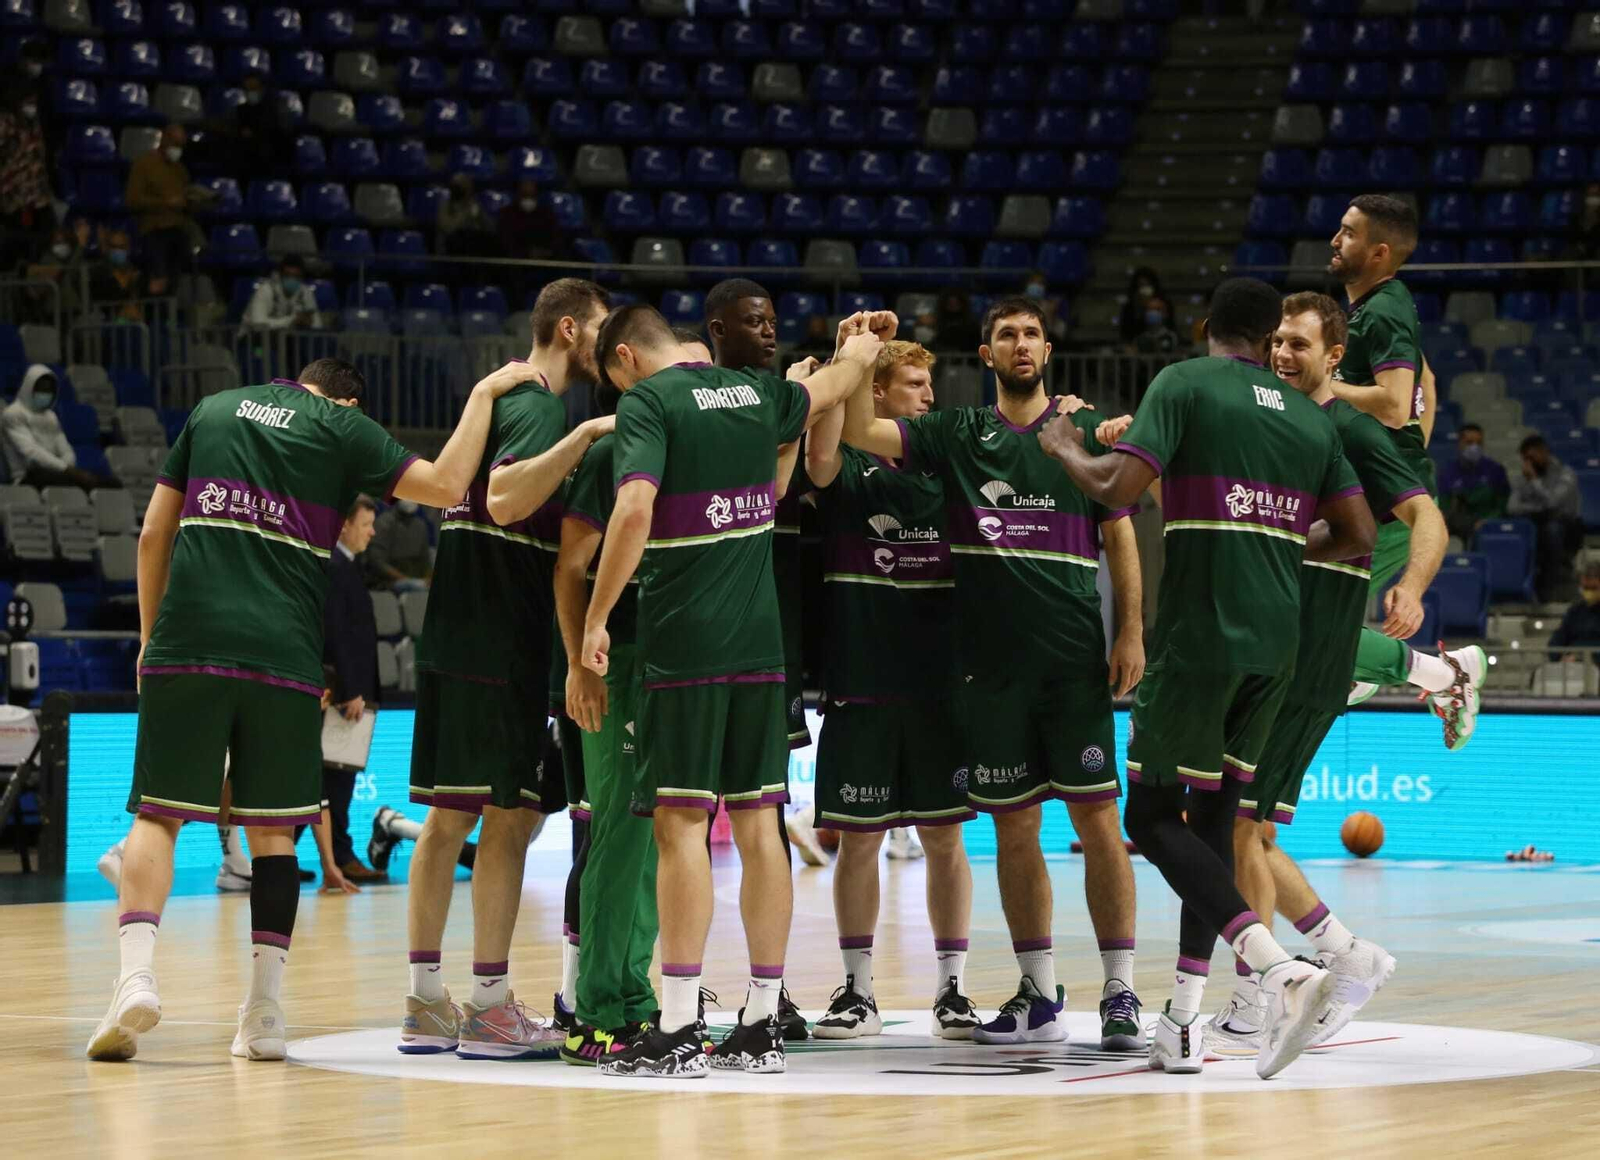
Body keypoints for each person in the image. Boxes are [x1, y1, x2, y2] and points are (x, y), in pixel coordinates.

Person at [85, 354, 540, 1064]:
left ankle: (135, 979)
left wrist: (150, 642)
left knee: (159, 816)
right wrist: (481, 389)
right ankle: (263, 1014)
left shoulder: (212, 410)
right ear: (348, 402)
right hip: (283, 653)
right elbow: (449, 483)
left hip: (188, 639)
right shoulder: (343, 429)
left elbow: (152, 536)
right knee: (273, 836)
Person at [1038, 276, 1377, 1080]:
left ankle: (1274, 968)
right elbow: (1360, 533)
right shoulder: (1306, 415)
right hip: (1277, 645)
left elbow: (1120, 490)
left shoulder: (1184, 382)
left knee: (1153, 818)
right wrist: (1279, 543)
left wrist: (1065, 450)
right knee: (1217, 824)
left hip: (1200, 640)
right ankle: (1185, 1022)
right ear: (1270, 342)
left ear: (1205, 329)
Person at [840, 298, 1147, 1052]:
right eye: (1006, 334)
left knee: (1099, 826)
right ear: (984, 354)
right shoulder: (958, 434)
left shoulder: (1079, 431)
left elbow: (1123, 534)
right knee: (1014, 831)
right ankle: (1039, 991)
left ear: (1048, 348)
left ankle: (1120, 989)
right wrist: (855, 352)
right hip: (990, 672)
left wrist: (1132, 627)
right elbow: (856, 430)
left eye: (1032, 333)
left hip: (1073, 663)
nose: (1020, 343)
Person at [581, 304, 879, 1078]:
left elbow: (635, 507)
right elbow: (837, 385)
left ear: (624, 360)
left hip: (685, 649)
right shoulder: (756, 395)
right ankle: (759, 1021)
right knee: (759, 825)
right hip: (761, 649)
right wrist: (861, 346)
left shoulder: (647, 403)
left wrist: (597, 618)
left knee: (680, 826)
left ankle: (677, 1027)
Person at [1205, 292, 1444, 1059]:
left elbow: (1427, 519)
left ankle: (1258, 996)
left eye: (1299, 345)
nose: (1282, 354)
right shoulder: (1275, 419)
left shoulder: (1348, 427)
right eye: (1277, 340)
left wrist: (1409, 587)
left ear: (1335, 357)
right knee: (1242, 825)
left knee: (1237, 824)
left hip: (1310, 653)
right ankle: (1342, 953)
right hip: (1269, 647)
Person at [399, 278, 615, 1061]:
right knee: (509, 818)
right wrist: (586, 434)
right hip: (497, 646)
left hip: (459, 636)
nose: (608, 342)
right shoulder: (536, 406)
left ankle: (427, 1003)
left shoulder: (500, 399)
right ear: (567, 328)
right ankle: (489, 1006)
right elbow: (501, 497)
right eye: (599, 330)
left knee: (453, 818)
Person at [803, 338, 981, 1040]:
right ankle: (857, 991)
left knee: (944, 839)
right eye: (912, 385)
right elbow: (818, 456)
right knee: (858, 841)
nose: (929, 397)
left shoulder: (948, 463)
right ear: (875, 393)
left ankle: (953, 990)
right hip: (862, 681)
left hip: (940, 683)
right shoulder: (842, 462)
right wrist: (850, 352)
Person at [1326, 194, 1485, 744]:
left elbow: (1396, 400)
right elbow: (1427, 381)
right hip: (1375, 487)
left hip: (1383, 502)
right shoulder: (1376, 307)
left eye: (1347, 233)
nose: (1334, 240)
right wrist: (1411, 448)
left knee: (1307, 618)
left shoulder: (1387, 306)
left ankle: (1447, 673)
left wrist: (1323, 389)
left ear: (1379, 251)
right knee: (1310, 614)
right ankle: (1363, 668)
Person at [702, 277, 812, 1040]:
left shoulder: (779, 408)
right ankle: (673, 995)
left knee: (760, 821)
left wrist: (804, 412)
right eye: (754, 322)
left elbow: (778, 492)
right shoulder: (707, 402)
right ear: (717, 332)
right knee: (673, 827)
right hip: (696, 634)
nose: (769, 332)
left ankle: (766, 1000)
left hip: (765, 640)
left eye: (774, 320)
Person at [551, 378, 660, 1067]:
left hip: (672, 664)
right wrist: (579, 664)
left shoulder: (688, 448)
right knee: (617, 831)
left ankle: (635, 993)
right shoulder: (611, 454)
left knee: (654, 835)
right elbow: (570, 568)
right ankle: (593, 1012)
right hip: (612, 664)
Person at [319, 494, 386, 884]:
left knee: (333, 780)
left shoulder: (347, 566)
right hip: (346, 697)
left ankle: (319, 853)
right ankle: (340, 856)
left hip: (353, 691)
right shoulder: (335, 566)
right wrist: (350, 690)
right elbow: (339, 636)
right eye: (366, 524)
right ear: (344, 524)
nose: (373, 531)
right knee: (336, 780)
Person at [2, 365, 112, 489]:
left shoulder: (50, 416)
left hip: (57, 472)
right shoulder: (13, 414)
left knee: (111, 484)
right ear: (29, 388)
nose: (45, 394)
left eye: (49, 390)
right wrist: (67, 470)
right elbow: (31, 453)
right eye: (41, 389)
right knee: (73, 484)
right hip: (27, 477)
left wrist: (68, 466)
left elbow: (64, 448)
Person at [124, 123, 202, 296]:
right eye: (175, 144)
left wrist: (193, 201)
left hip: (178, 230)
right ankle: (151, 317)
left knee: (173, 282)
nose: (177, 149)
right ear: (164, 139)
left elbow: (185, 198)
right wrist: (165, 202)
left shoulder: (180, 170)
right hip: (154, 231)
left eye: (181, 145)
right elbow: (133, 200)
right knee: (158, 282)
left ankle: (169, 318)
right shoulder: (143, 165)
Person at [1508, 434, 1585, 602]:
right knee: (1518, 530)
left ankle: (1554, 580)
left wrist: (1535, 482)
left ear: (1544, 453)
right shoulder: (1523, 477)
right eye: (1525, 458)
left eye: (1532, 457)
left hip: (1568, 527)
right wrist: (1538, 508)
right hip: (1536, 522)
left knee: (1552, 529)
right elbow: (1512, 507)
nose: (1528, 463)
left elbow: (1553, 503)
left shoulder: (1566, 474)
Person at [0, 77, 54, 271]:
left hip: (38, 196)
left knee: (44, 242)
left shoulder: (34, 123)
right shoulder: (5, 122)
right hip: (12, 197)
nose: (32, 105)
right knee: (13, 247)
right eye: (29, 101)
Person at [1436, 423, 1509, 544]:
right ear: (1459, 444)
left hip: (1489, 526)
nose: (1474, 447)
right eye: (1469, 442)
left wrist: (1488, 520)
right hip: (1458, 529)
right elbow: (1444, 508)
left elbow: (1502, 504)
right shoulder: (1447, 473)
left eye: (1479, 443)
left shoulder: (1495, 470)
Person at [365, 499, 432, 591]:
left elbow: (425, 559)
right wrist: (404, 579)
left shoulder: (421, 526)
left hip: (416, 580)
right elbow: (377, 561)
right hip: (386, 583)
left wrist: (428, 579)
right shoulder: (383, 523)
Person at [244, 256, 322, 331]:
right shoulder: (265, 290)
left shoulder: (305, 292)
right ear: (280, 275)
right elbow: (258, 325)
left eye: (296, 276)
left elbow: (317, 324)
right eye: (288, 275)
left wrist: (309, 323)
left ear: (301, 277)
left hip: (286, 339)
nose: (292, 279)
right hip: (251, 338)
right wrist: (291, 321)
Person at [90, 229, 148, 323]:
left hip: (132, 319)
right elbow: (105, 301)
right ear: (108, 248)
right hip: (106, 320)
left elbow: (137, 298)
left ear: (128, 248)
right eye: (114, 247)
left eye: (122, 247)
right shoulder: (99, 270)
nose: (118, 250)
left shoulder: (132, 268)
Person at [1548, 562, 1600, 662]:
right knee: (1539, 674)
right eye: (1585, 588)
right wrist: (1559, 657)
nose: (1589, 593)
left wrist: (1583, 657)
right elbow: (1557, 640)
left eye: (1593, 588)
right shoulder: (1575, 611)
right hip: (1574, 666)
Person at [436, 174, 496, 259]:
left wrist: (479, 214)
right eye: (459, 185)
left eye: (466, 185)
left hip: (475, 249)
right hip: (452, 249)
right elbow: (449, 229)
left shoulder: (474, 204)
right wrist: (465, 210)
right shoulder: (446, 206)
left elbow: (490, 228)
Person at [1118, 266, 1166, 346]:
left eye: (1148, 285)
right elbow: (1126, 334)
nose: (1145, 289)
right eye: (1141, 285)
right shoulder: (1129, 308)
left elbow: (1168, 329)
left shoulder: (1163, 304)